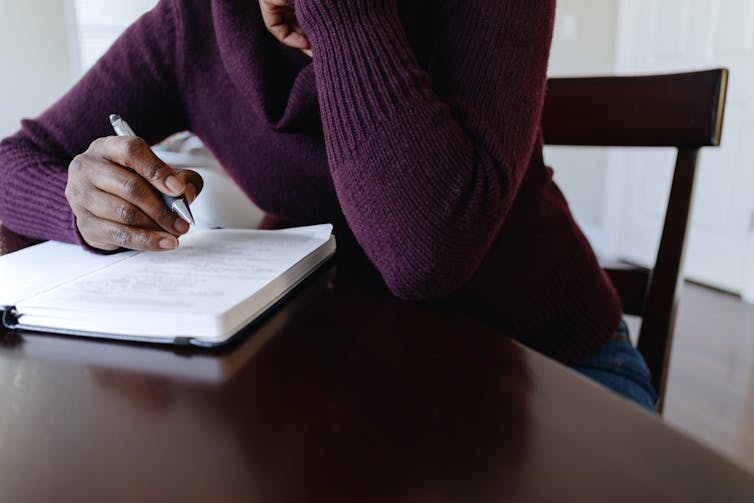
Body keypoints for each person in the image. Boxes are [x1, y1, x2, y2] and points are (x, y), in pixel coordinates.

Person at [0, 0, 657, 409]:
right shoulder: (190, 25)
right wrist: (78, 201)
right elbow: (12, 159)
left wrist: (342, 11)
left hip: (547, 372)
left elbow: (425, 255)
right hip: (349, 377)